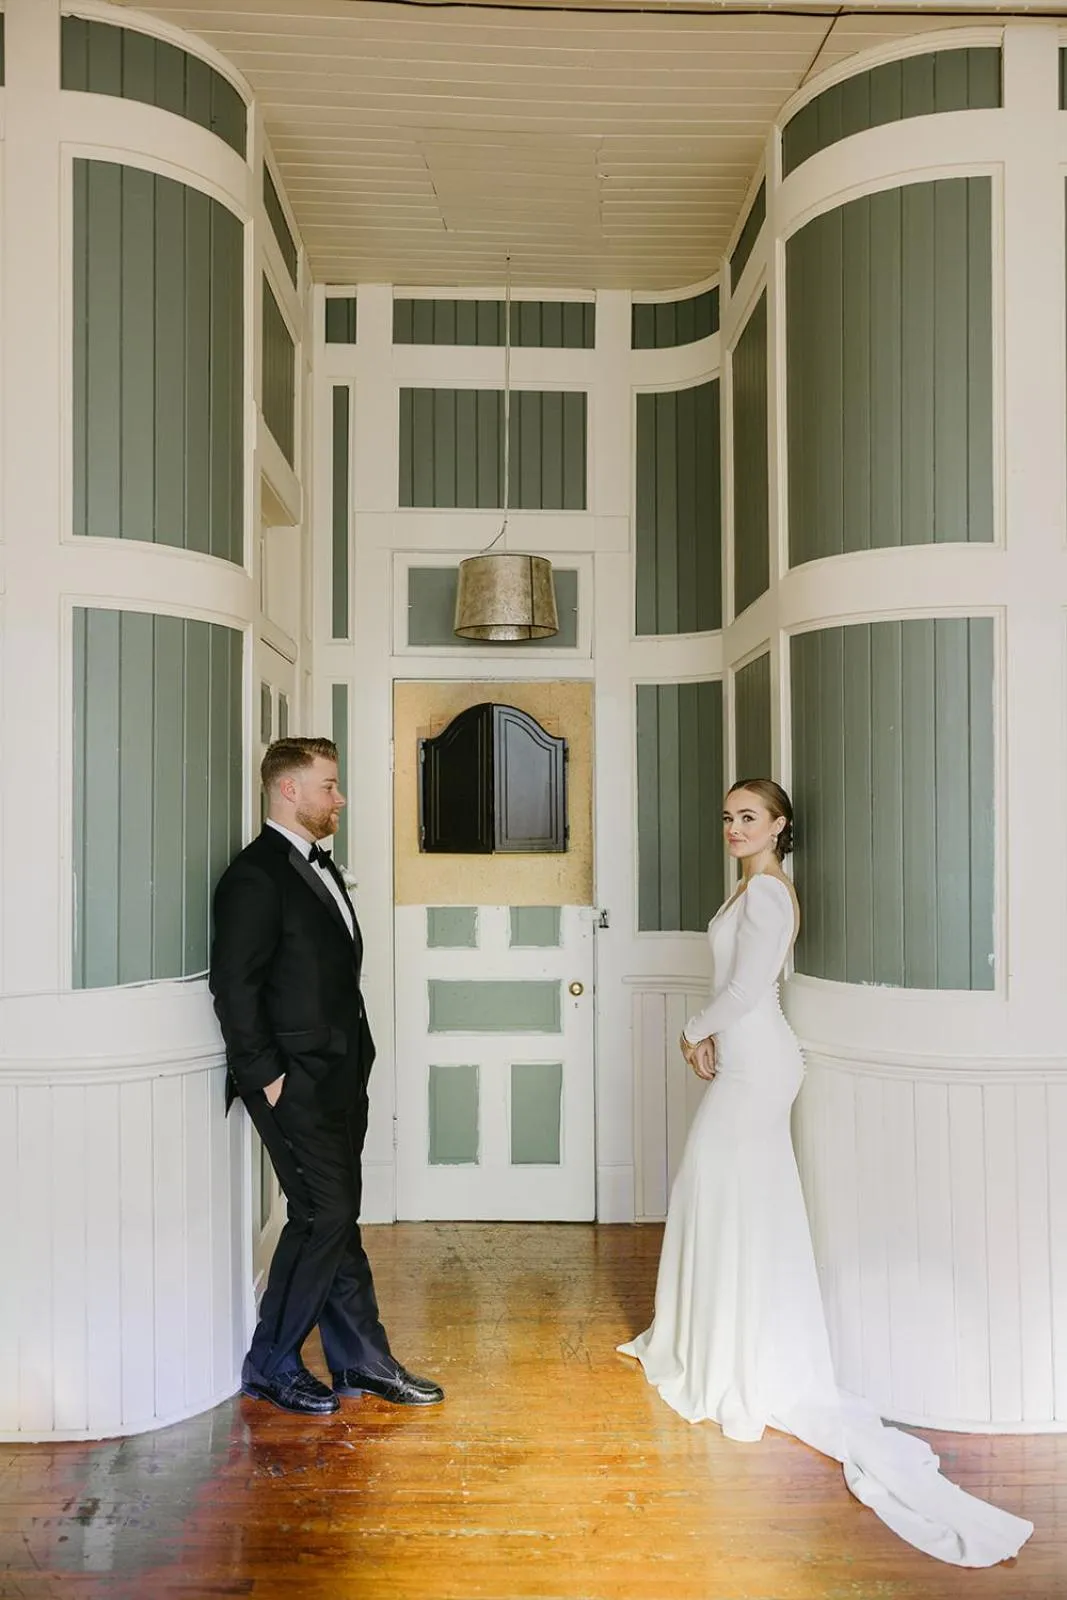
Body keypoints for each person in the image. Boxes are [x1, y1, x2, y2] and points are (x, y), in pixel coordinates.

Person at [619, 779, 1032, 1567]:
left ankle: (740, 1357)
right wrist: (706, 1035)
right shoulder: (748, 889)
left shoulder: (770, 895)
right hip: (739, 1054)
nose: (734, 829)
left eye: (749, 818)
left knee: (718, 1189)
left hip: (759, 1061)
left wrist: (688, 1030)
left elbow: (745, 990)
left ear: (779, 825)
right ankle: (710, 1343)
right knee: (719, 1196)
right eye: (728, 818)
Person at [210, 736, 443, 1417]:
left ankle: (361, 1361)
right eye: (329, 786)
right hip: (293, 1082)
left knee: (336, 1218)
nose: (339, 798)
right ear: (289, 790)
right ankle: (271, 1364)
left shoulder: (315, 866)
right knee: (324, 1214)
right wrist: (268, 1079)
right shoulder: (255, 876)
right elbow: (235, 986)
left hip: (341, 1074)